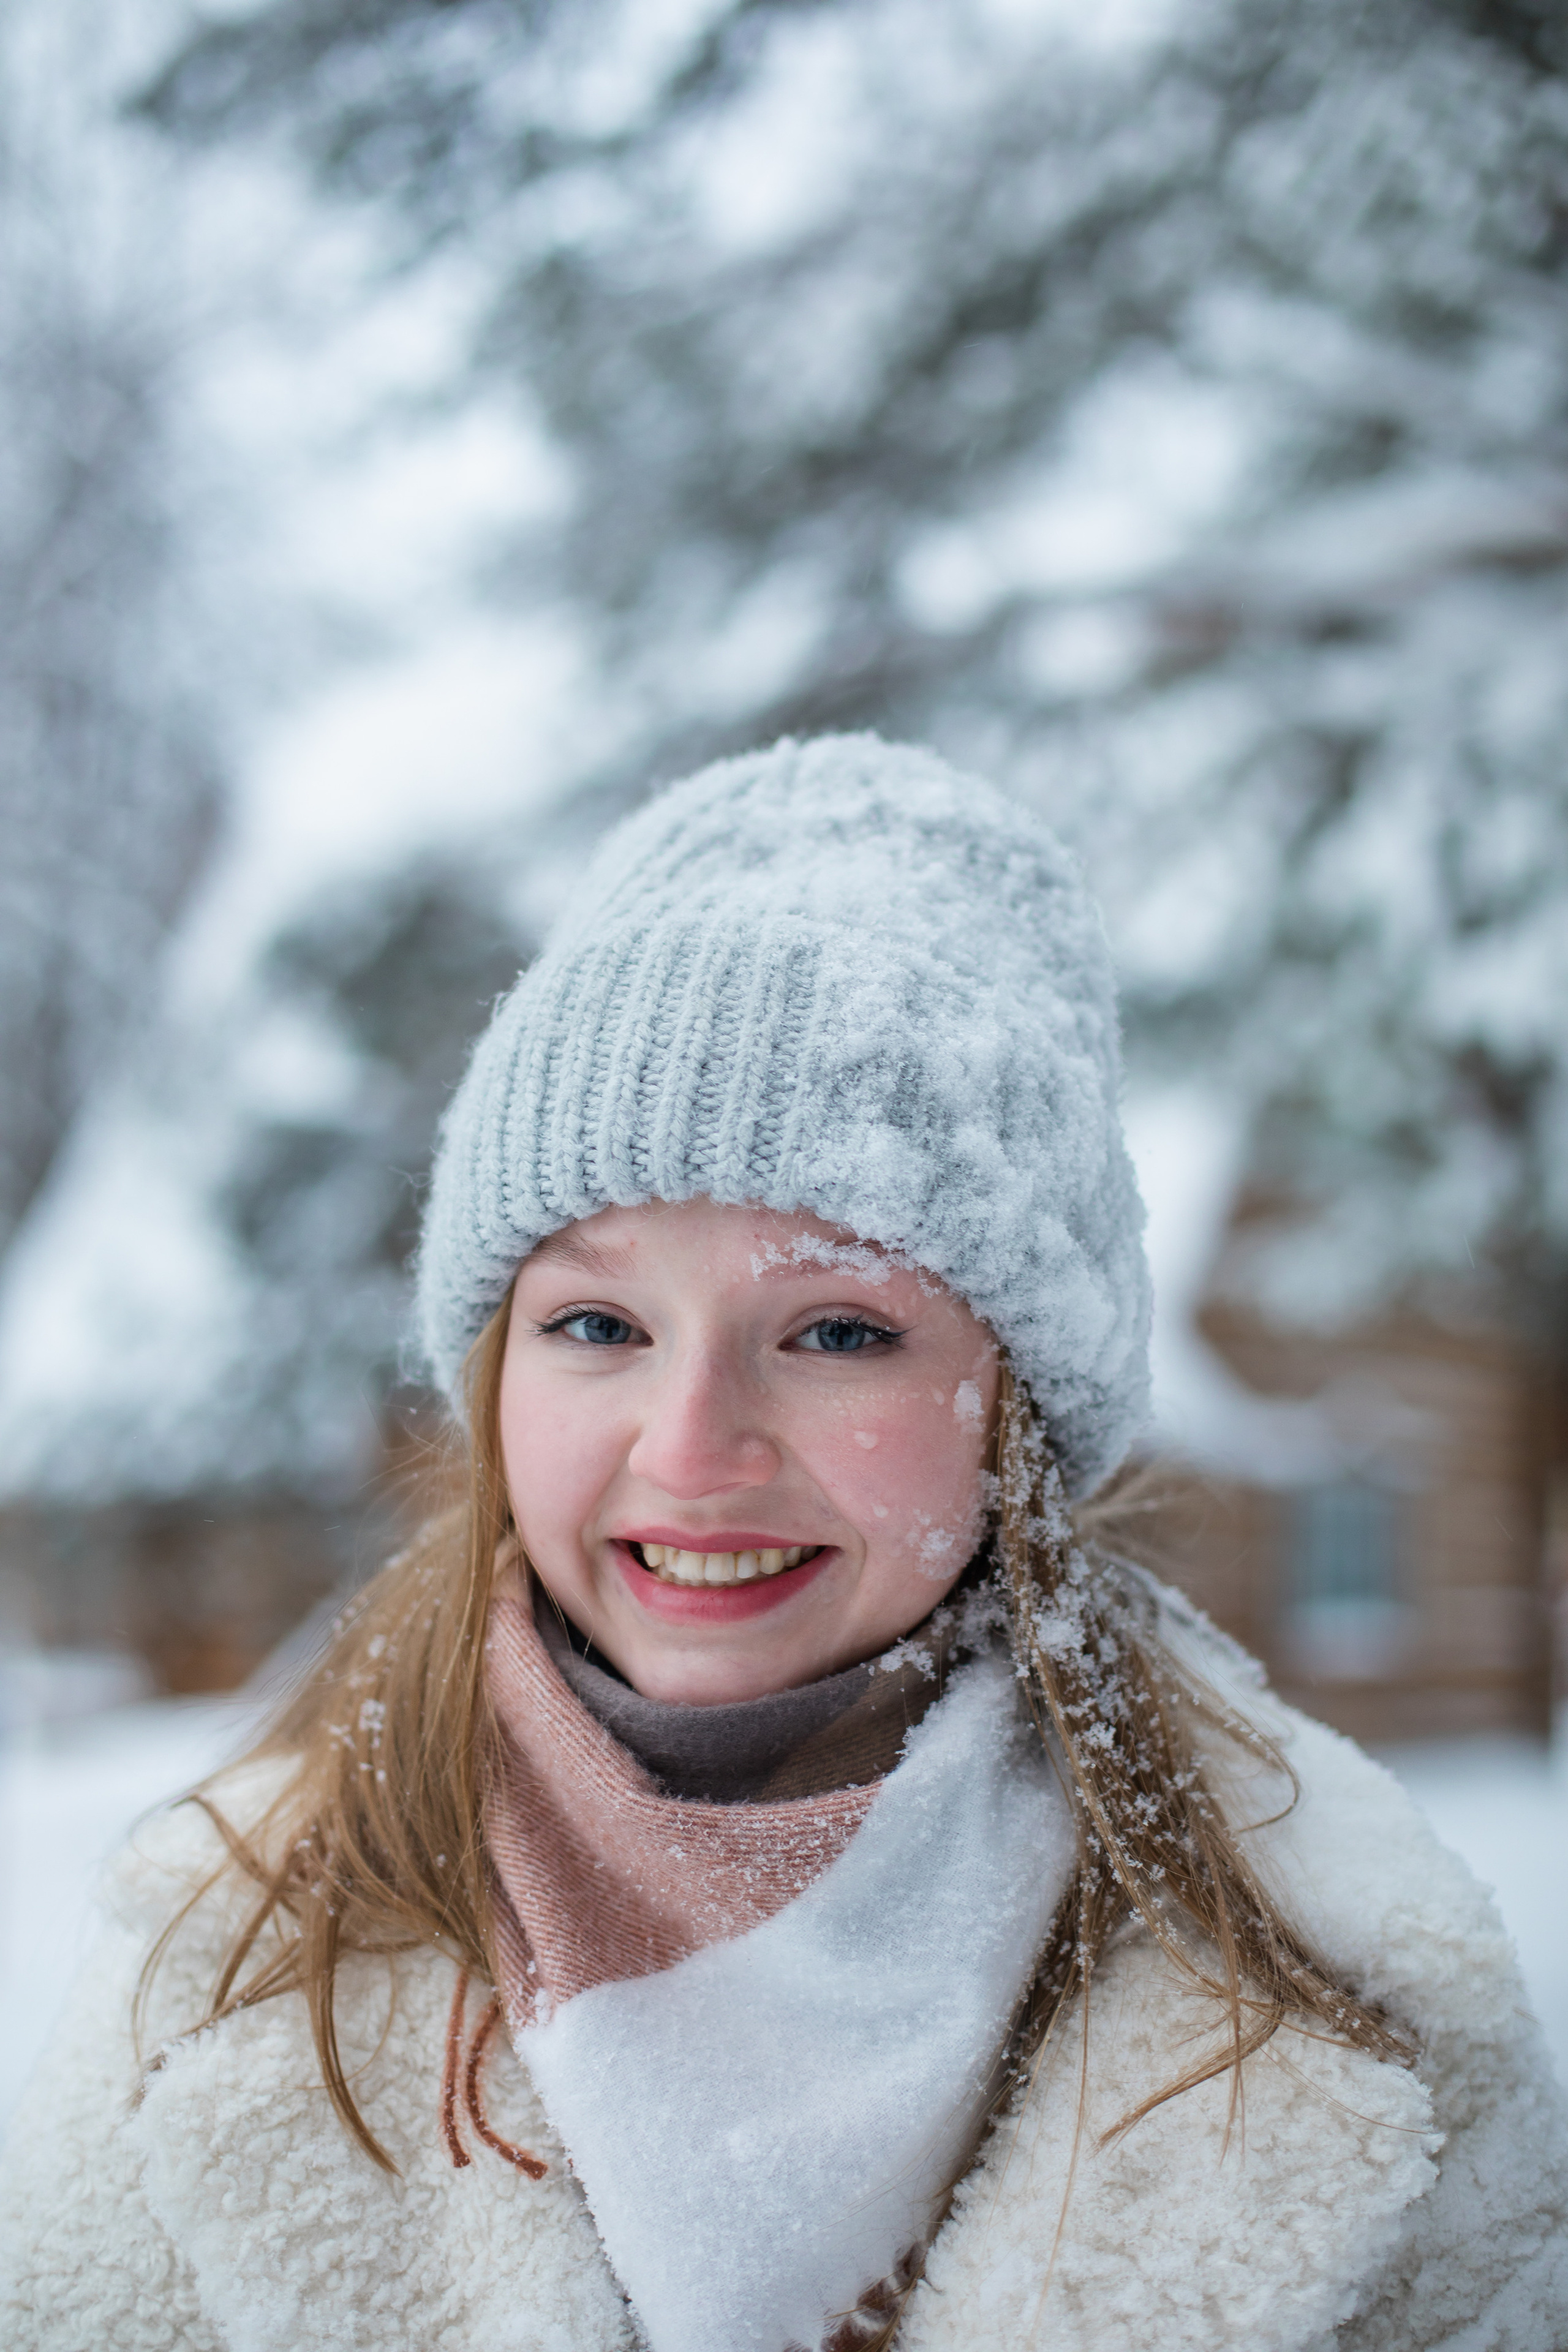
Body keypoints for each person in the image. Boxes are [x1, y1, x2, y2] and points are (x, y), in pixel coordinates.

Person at [2, 734, 1564, 2352]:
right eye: (599, 1321)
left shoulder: (1356, 2001)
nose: (689, 1450)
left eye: (834, 1333)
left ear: (1015, 1402)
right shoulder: (230, 1971)